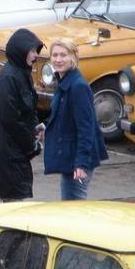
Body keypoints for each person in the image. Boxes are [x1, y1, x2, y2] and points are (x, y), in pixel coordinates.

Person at [0, 28, 44, 204]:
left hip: (14, 152)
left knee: (13, 199)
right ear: (21, 51)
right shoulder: (9, 78)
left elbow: (28, 108)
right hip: (7, 154)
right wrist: (30, 144)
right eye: (32, 51)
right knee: (11, 202)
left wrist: (34, 129)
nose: (35, 55)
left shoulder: (22, 74)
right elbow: (11, 119)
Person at [43, 38, 108, 200]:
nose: (58, 60)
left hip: (77, 162)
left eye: (63, 55)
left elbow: (86, 129)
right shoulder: (64, 81)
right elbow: (61, 115)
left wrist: (81, 163)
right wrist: (44, 126)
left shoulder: (78, 86)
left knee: (74, 207)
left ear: (73, 57)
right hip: (69, 158)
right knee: (70, 205)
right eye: (55, 55)